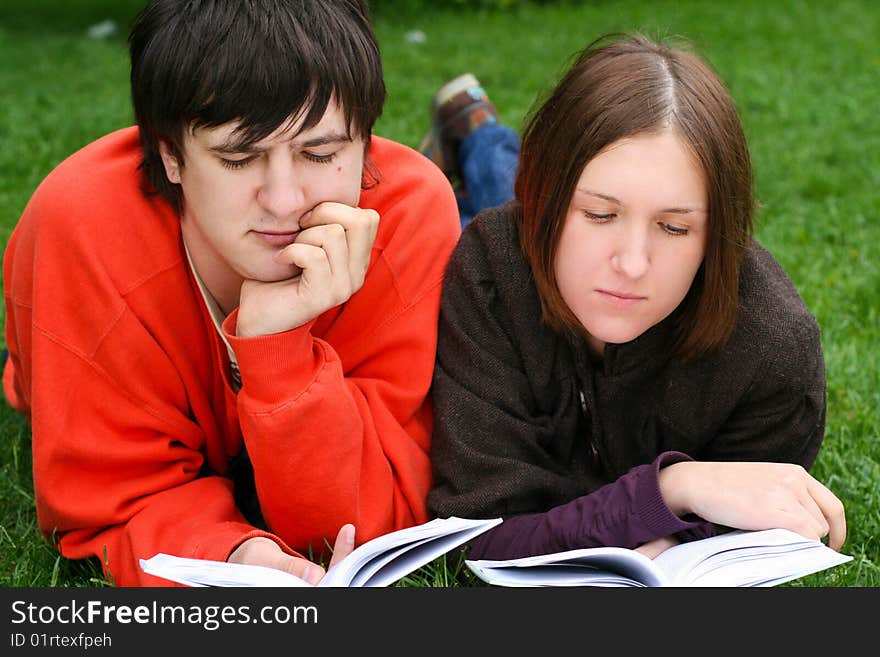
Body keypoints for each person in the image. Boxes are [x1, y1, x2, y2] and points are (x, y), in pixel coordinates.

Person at [2, 0, 461, 586]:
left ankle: (470, 141)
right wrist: (230, 556)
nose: (285, 200)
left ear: (367, 145)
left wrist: (279, 347)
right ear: (169, 154)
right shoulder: (84, 228)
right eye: (239, 158)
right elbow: (108, 502)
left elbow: (367, 513)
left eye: (321, 155)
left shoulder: (409, 216)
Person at [426, 33, 847, 562]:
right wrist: (671, 491)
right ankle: (479, 134)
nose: (631, 264)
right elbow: (477, 536)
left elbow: (745, 545)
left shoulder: (772, 348)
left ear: (719, 233)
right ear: (546, 196)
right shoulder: (490, 269)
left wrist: (677, 533)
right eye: (599, 215)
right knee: (457, 204)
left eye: (673, 227)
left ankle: (477, 129)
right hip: (517, 230)